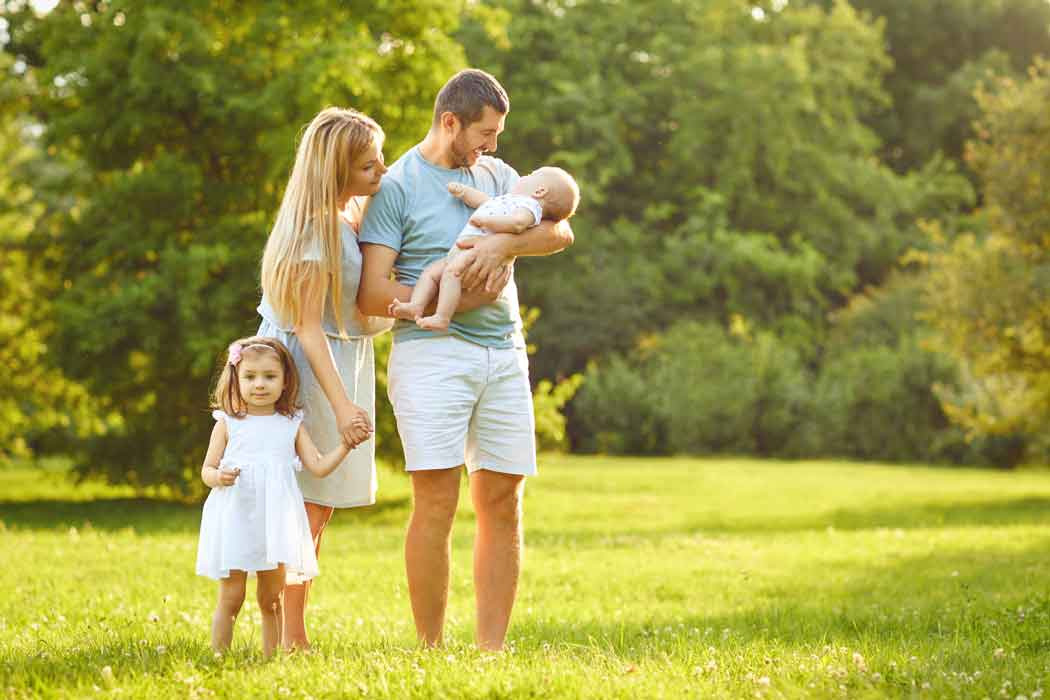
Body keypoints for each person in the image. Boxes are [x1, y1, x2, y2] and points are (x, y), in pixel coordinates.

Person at [357, 68, 574, 651]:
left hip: (503, 351)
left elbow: (559, 231)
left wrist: (505, 244)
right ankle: (431, 649)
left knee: (504, 497)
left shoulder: (496, 175)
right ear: (449, 122)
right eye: (485, 132)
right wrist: (438, 296)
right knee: (437, 500)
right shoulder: (397, 185)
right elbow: (372, 292)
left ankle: (490, 652)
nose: (494, 147)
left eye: (498, 134)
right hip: (432, 353)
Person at [256, 107, 393, 650]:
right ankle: (291, 630)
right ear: (335, 173)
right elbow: (309, 331)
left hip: (341, 359)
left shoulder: (345, 218)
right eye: (368, 165)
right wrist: (342, 408)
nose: (380, 171)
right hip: (313, 370)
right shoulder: (314, 233)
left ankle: (291, 622)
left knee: (320, 505)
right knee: (306, 503)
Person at [195, 337, 366, 657]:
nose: (259, 384)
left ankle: (270, 658)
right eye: (250, 377)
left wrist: (345, 446)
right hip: (236, 519)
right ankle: (219, 656)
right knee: (231, 597)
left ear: (285, 380)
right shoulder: (228, 423)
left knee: (271, 599)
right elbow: (207, 469)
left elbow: (317, 466)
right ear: (236, 378)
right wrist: (218, 477)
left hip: (275, 524)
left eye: (269, 376)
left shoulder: (291, 425)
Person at [389, 167, 580, 330]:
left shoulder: (529, 208)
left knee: (452, 273)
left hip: (475, 252)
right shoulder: (509, 200)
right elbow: (484, 201)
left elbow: (517, 224)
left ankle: (442, 317)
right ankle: (416, 305)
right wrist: (464, 192)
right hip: (462, 250)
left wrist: (488, 222)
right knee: (430, 273)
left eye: (531, 174)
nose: (524, 176)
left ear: (540, 191)